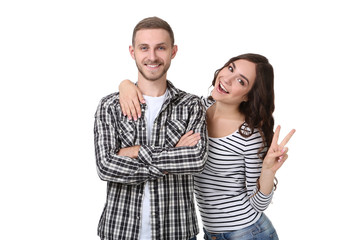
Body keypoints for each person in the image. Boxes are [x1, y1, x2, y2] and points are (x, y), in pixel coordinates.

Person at [118, 53, 295, 240]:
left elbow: (259, 204)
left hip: (247, 232)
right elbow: (162, 95)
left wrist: (268, 171)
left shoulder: (249, 136)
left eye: (241, 81)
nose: (227, 79)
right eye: (230, 68)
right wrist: (125, 84)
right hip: (211, 233)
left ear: (248, 96)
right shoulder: (197, 108)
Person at [94, 17, 208, 240]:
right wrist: (171, 161)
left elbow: (196, 159)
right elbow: (106, 166)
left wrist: (136, 151)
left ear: (173, 51)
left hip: (177, 232)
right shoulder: (110, 105)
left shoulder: (191, 104)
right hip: (120, 231)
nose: (153, 56)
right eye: (144, 48)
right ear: (132, 51)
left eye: (161, 48)